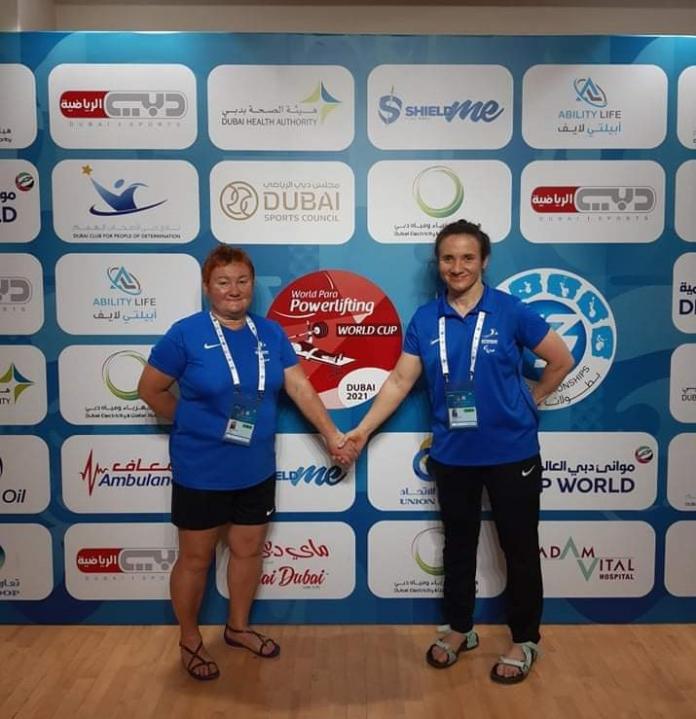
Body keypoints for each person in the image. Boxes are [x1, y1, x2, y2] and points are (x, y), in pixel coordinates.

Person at [341, 219, 574, 684]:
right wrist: (362, 430)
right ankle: (460, 629)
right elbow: (401, 381)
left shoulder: (510, 311)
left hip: (512, 453)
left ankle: (524, 639)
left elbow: (561, 360)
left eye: (468, 257)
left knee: (520, 548)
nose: (458, 266)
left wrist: (533, 399)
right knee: (459, 546)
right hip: (452, 454)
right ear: (439, 264)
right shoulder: (426, 320)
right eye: (448, 258)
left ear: (483, 261)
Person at [138, 245, 355, 681]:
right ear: (207, 287)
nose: (233, 290)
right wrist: (194, 420)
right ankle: (190, 639)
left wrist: (333, 435)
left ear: (252, 285)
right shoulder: (185, 334)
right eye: (223, 282)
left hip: (255, 468)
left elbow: (300, 390)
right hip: (201, 468)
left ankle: (237, 628)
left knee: (248, 550)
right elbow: (150, 390)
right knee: (195, 559)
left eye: (241, 281)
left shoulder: (271, 334)